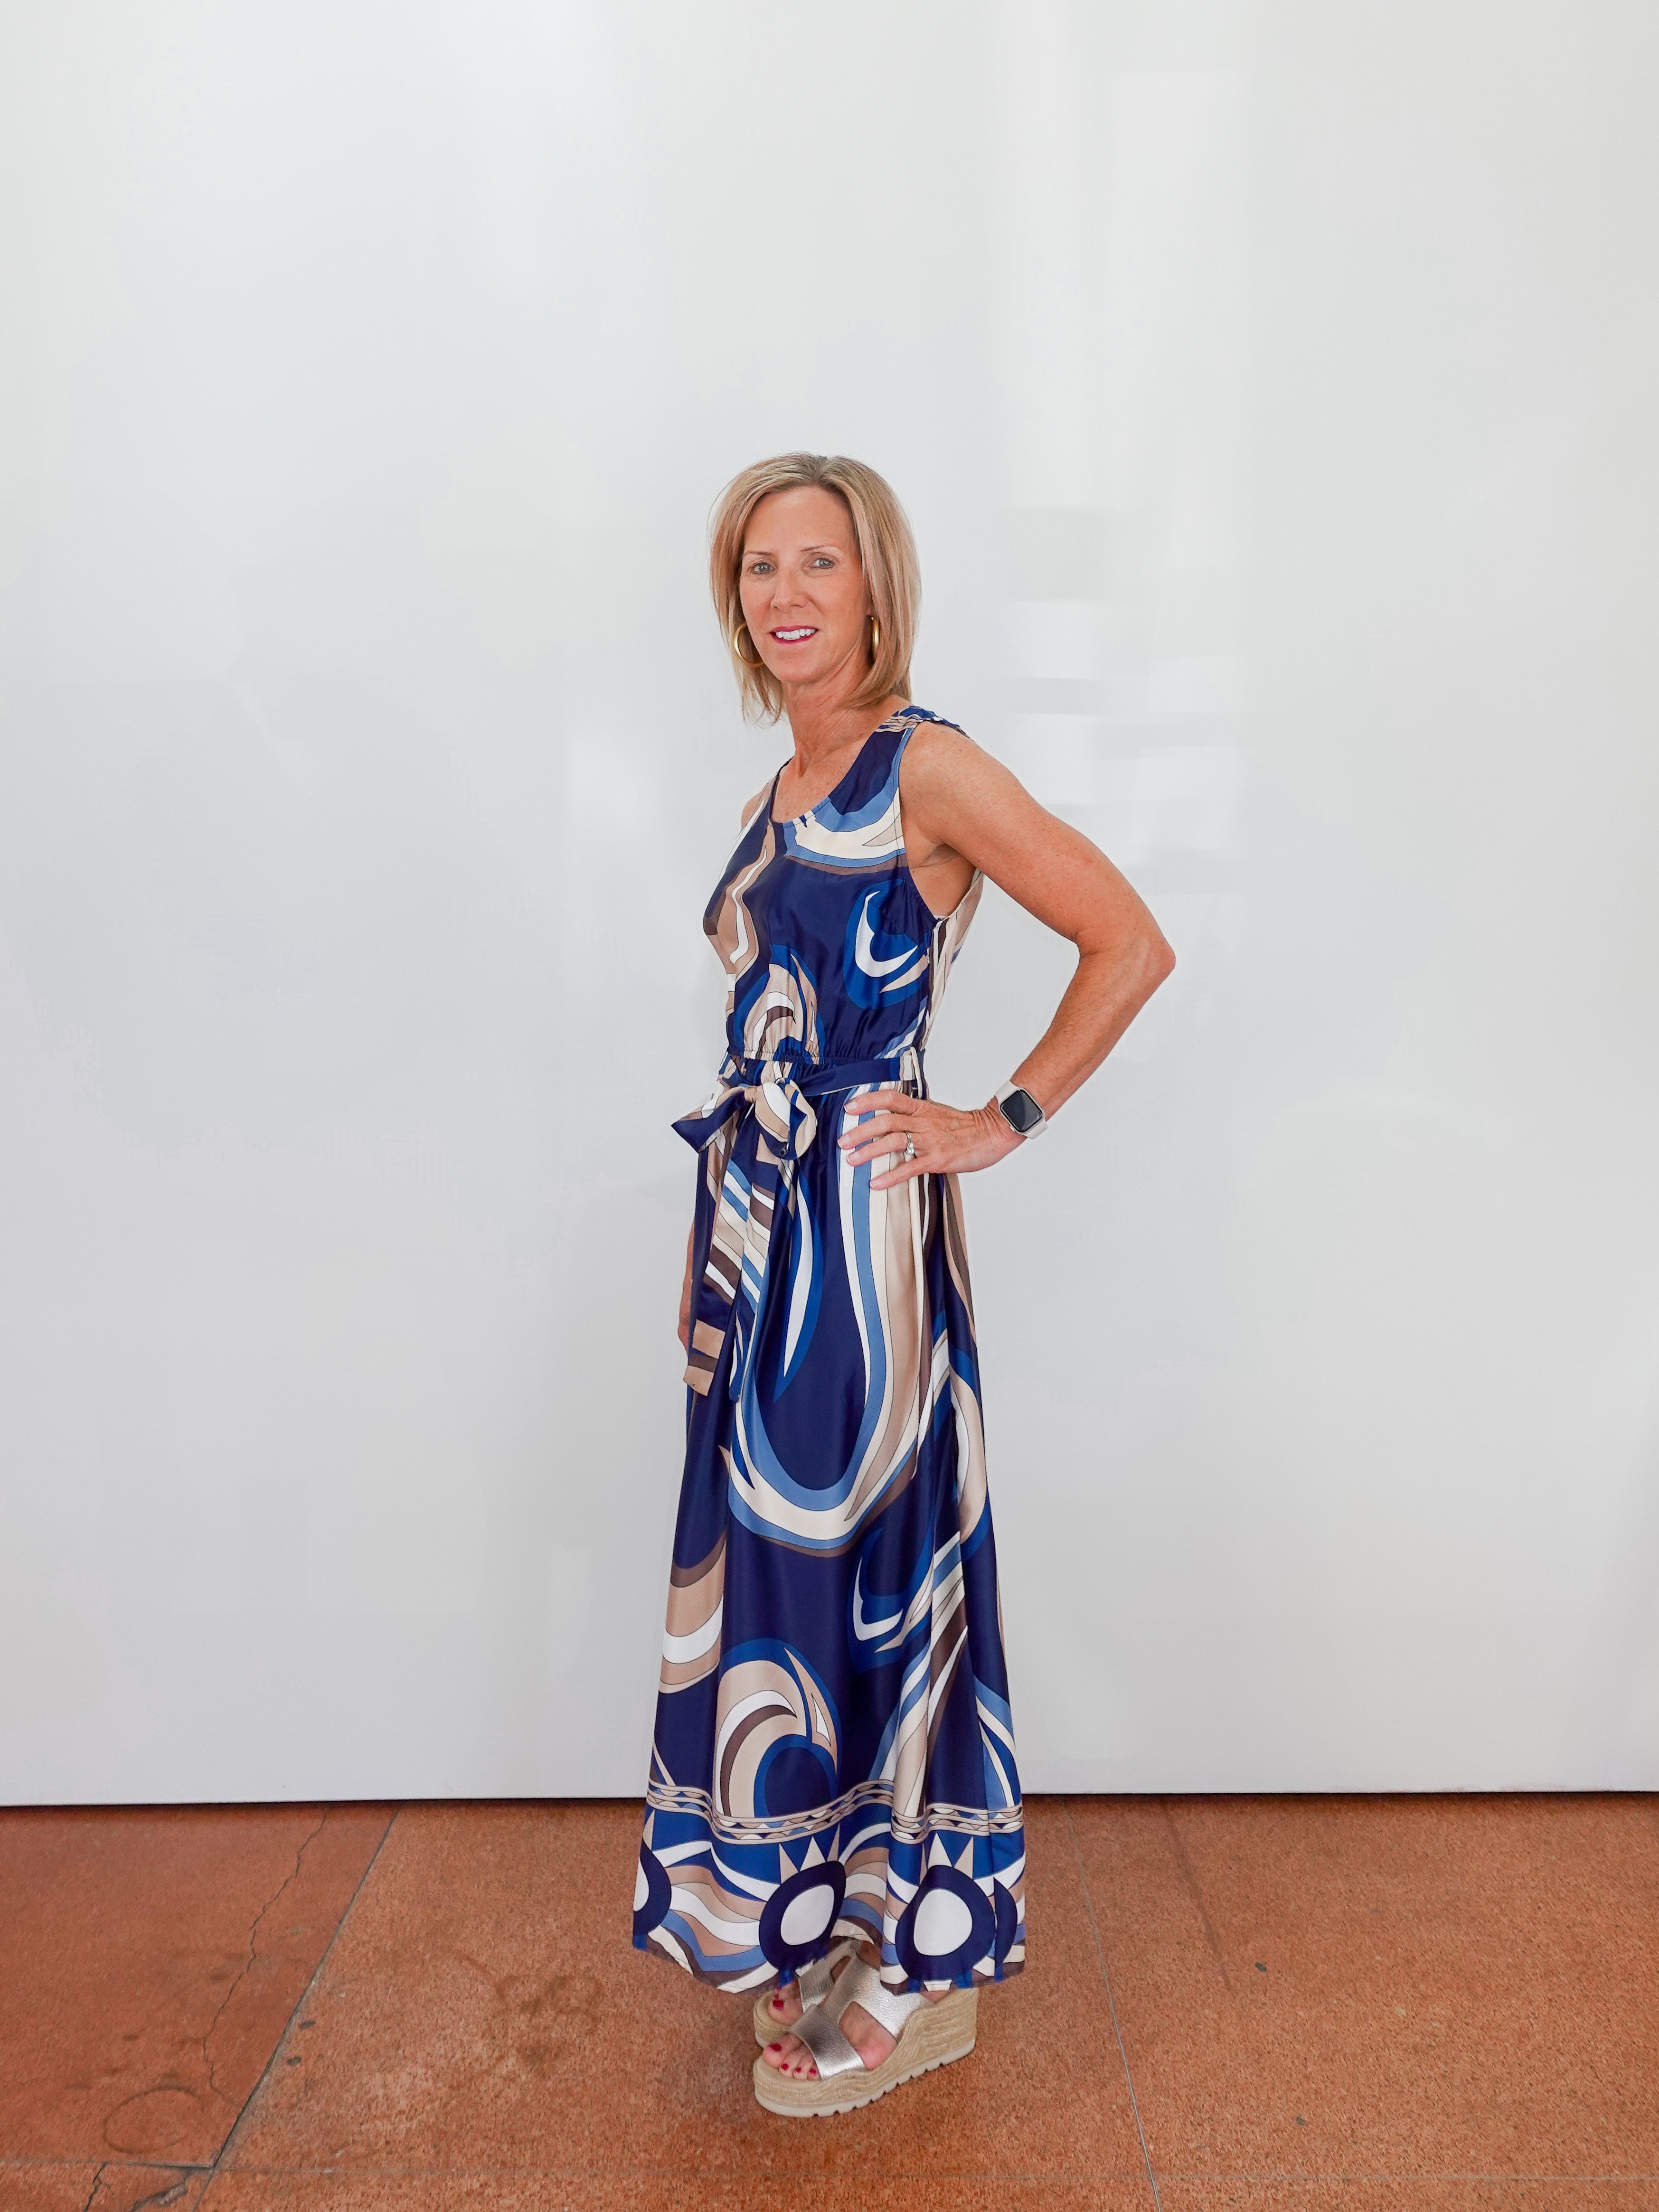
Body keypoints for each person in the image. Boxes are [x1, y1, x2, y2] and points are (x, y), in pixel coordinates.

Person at [631, 452, 1174, 2117]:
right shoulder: (772, 799)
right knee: (786, 1602)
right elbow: (749, 1054)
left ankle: (922, 1970)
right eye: (758, 568)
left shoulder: (923, 767)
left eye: (818, 561)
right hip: (761, 1245)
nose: (786, 594)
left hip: (865, 1258)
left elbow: (1128, 936)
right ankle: (819, 1915)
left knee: (879, 1581)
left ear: (876, 586)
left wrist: (994, 1120)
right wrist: (701, 1259)